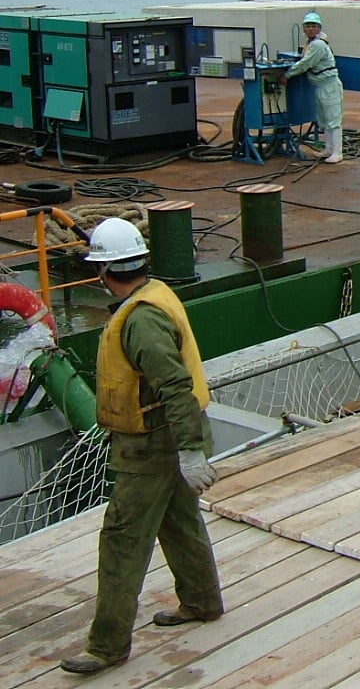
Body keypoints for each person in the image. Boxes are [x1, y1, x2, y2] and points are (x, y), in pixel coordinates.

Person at [61, 219, 222, 675]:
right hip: (169, 437)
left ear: (104, 272)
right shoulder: (156, 294)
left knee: (122, 541)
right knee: (179, 522)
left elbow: (174, 384)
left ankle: (107, 646)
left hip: (152, 445)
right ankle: (202, 602)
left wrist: (190, 450)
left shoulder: (141, 320)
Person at [287, 11, 345, 164]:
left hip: (329, 85)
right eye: (307, 26)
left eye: (313, 26)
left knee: (333, 119)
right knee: (323, 119)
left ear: (319, 28)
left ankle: (337, 152)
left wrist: (287, 74)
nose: (310, 29)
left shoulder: (318, 45)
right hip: (319, 85)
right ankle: (328, 148)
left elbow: (306, 64)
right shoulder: (311, 43)